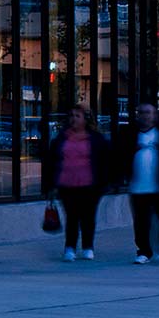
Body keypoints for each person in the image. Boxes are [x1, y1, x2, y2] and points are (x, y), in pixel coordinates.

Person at [113, 102, 159, 264]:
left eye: (148, 113)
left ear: (155, 115)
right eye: (142, 113)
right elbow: (121, 157)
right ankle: (144, 251)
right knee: (141, 221)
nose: (145, 116)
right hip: (138, 186)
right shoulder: (130, 135)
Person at [44, 107, 105, 261]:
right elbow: (52, 162)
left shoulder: (95, 139)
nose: (74, 119)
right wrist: (50, 185)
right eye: (71, 115)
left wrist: (105, 183)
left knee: (88, 217)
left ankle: (87, 247)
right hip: (67, 184)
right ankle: (69, 248)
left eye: (77, 116)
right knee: (71, 217)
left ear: (85, 119)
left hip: (90, 185)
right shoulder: (61, 139)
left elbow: (106, 161)